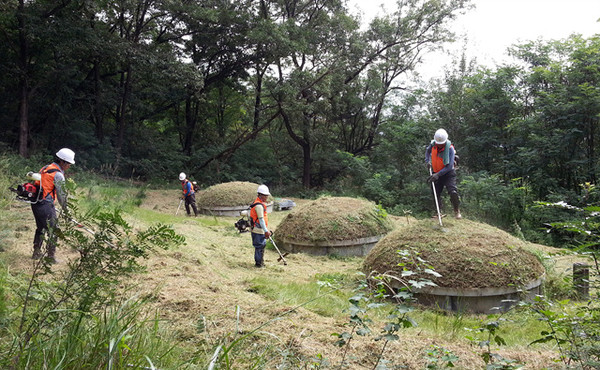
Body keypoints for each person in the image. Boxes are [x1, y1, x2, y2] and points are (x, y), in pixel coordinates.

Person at [31, 148, 75, 263]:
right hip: (45, 204)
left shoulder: (45, 168)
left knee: (41, 227)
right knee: (54, 230)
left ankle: (36, 252)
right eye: (69, 163)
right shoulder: (58, 175)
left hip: (36, 203)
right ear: (63, 161)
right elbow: (62, 196)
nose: (69, 166)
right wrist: (66, 211)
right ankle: (50, 257)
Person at [425, 129, 462, 219]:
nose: (439, 144)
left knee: (453, 191)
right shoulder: (433, 145)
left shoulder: (450, 149)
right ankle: (439, 212)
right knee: (435, 192)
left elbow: (449, 166)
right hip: (436, 171)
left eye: (441, 143)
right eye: (438, 143)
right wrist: (427, 161)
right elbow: (427, 151)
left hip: (448, 173)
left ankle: (457, 211)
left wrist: (438, 174)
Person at [249, 184, 271, 268]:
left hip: (259, 228)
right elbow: (261, 219)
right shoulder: (258, 206)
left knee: (261, 246)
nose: (267, 197)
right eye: (265, 196)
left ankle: (261, 262)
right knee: (259, 246)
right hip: (257, 229)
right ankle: (258, 263)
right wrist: (266, 231)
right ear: (261, 195)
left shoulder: (259, 204)